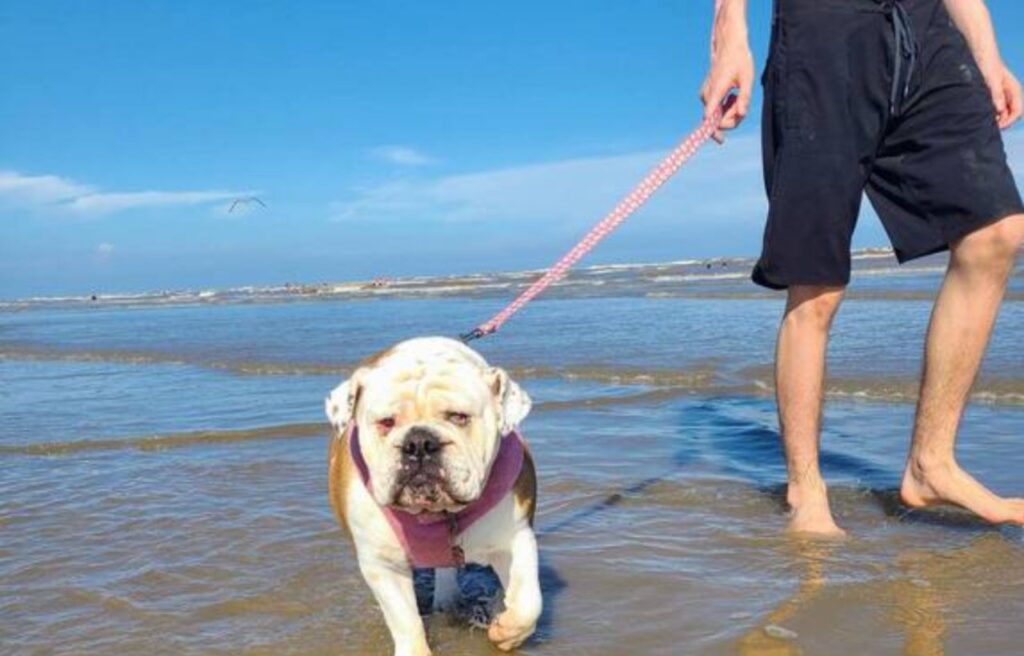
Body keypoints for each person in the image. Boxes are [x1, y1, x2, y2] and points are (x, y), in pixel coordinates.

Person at [703, 0, 1024, 535]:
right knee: (817, 283)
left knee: (996, 232)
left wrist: (988, 57)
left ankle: (931, 464)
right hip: (823, 29)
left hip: (926, 27)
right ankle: (805, 489)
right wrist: (730, 34)